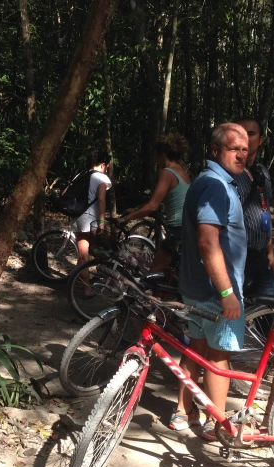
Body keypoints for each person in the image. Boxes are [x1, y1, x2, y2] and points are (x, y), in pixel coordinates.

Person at [169, 123, 248, 439]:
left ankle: (181, 412)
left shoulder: (206, 181)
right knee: (218, 357)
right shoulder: (215, 185)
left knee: (196, 348)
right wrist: (227, 292)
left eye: (245, 149)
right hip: (215, 293)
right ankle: (217, 424)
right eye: (234, 148)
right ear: (215, 151)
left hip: (196, 288)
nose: (241, 154)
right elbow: (207, 241)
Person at [117, 133, 191, 272]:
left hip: (177, 230)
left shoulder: (167, 172)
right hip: (185, 228)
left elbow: (153, 206)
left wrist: (125, 219)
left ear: (162, 154)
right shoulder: (182, 171)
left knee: (154, 275)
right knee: (168, 272)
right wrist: (136, 209)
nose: (155, 160)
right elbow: (156, 199)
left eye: (156, 155)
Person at [235, 118, 274, 295]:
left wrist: (270, 250)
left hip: (261, 256)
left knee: (266, 314)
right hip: (238, 257)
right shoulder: (230, 174)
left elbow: (265, 210)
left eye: (250, 134)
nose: (245, 138)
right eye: (240, 133)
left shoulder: (263, 172)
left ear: (261, 140)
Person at [71, 149, 112, 294]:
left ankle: (84, 288)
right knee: (105, 252)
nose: (106, 169)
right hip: (91, 218)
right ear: (102, 164)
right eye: (106, 166)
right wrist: (102, 222)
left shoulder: (81, 175)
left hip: (77, 218)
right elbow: (101, 199)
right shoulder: (101, 178)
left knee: (83, 255)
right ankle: (114, 283)